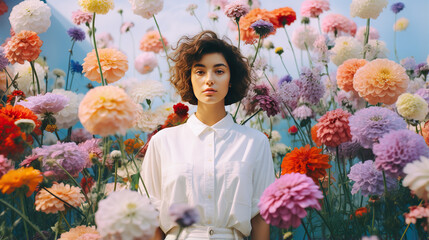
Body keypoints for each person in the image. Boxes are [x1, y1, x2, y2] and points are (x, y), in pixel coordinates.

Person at [141, 30, 275, 240]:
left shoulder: (255, 143)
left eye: (219, 71)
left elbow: (260, 218)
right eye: (200, 72)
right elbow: (148, 216)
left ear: (231, 79)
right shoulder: (162, 142)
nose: (209, 80)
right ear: (189, 78)